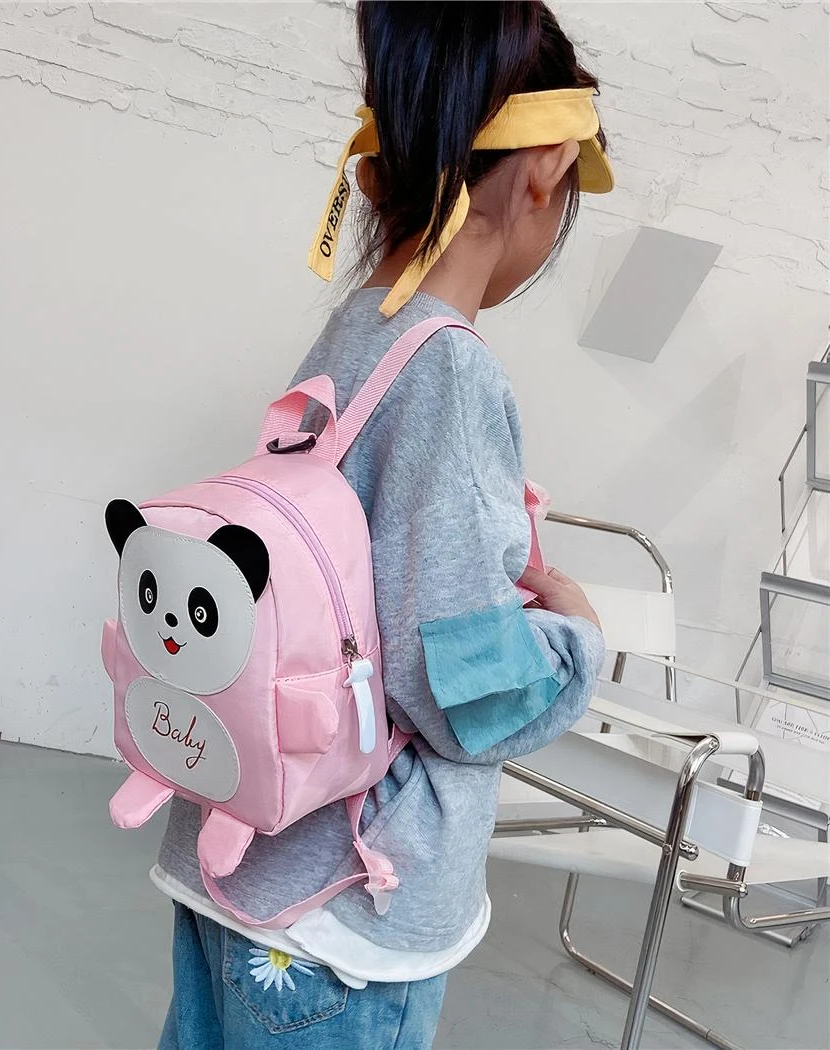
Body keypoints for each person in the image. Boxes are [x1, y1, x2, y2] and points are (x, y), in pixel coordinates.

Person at [154, 3, 609, 1046]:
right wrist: (578, 642)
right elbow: (458, 692)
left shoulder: (356, 332)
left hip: (239, 837)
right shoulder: (448, 370)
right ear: (546, 166)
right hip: (347, 901)